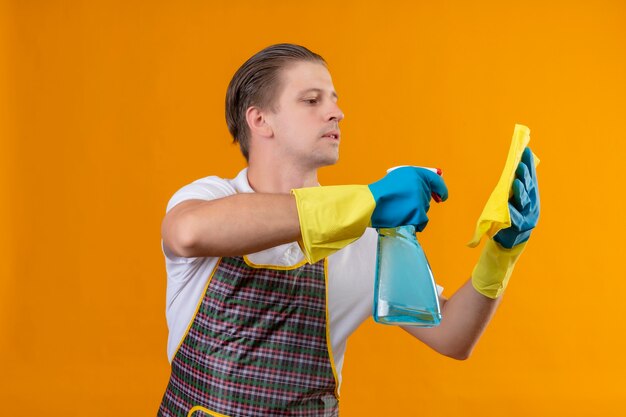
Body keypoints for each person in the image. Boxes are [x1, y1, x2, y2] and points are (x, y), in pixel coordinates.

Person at [157, 43, 540, 417]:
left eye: (334, 100)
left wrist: (502, 252)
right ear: (260, 120)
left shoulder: (362, 237)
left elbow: (452, 336)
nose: (336, 112)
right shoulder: (211, 197)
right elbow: (188, 233)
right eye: (312, 100)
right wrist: (369, 200)